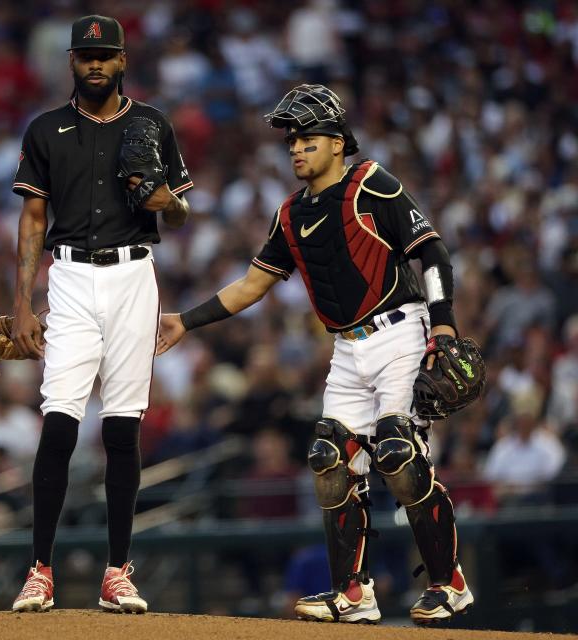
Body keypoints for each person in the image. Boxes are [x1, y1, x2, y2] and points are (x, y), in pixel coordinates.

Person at [156, 84, 474, 625]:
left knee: (398, 455)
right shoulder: (289, 214)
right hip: (347, 347)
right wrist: (186, 320)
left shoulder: (371, 182)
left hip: (401, 332)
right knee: (329, 457)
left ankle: (449, 582)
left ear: (336, 142)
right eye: (291, 140)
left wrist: (442, 327)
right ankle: (353, 591)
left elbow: (432, 251)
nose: (296, 147)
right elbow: (252, 286)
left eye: (306, 137)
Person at [9, 15, 193, 614]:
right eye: (85, 54)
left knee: (122, 426)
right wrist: (20, 300)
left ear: (122, 60)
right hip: (68, 277)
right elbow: (33, 217)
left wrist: (173, 205)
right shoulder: (46, 130)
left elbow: (180, 211)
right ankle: (40, 568)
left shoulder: (151, 124)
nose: (95, 63)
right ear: (71, 61)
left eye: (105, 54)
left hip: (134, 274)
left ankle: (117, 571)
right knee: (59, 419)